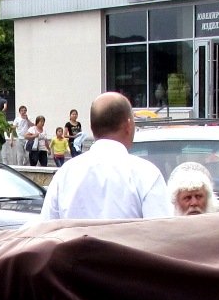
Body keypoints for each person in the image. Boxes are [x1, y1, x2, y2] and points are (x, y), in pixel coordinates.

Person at [39, 91, 171, 221]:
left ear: (92, 127)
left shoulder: (64, 175)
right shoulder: (146, 174)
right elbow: (161, 234)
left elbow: (46, 232)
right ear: (128, 125)